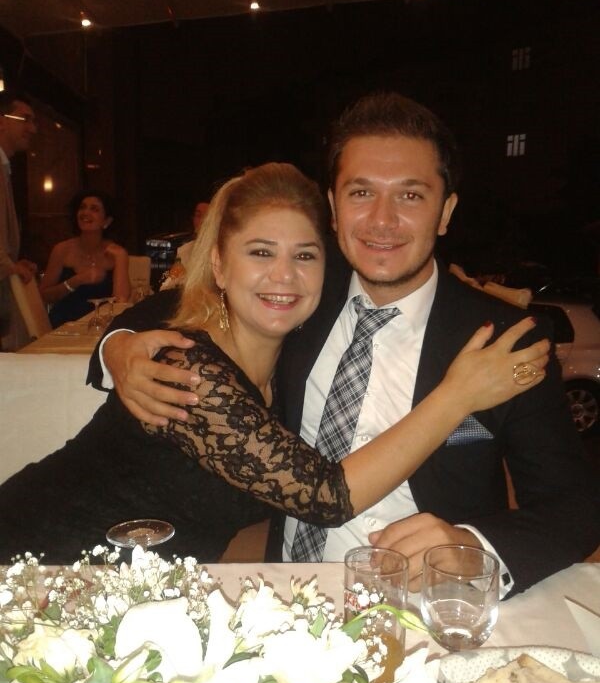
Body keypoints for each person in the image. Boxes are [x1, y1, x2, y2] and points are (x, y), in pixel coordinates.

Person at [94, 94, 599, 598]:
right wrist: (119, 347)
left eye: (410, 195)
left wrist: (470, 547)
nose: (382, 220)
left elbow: (575, 508)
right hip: (285, 595)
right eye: (361, 193)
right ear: (334, 207)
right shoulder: (301, 292)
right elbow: (189, 298)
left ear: (445, 212)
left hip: (422, 601)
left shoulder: (503, 339)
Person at [0, 162, 546, 563]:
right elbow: (326, 497)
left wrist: (117, 341)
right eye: (260, 252)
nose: (284, 276)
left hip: (138, 593)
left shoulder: (291, 351)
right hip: (39, 562)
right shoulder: (189, 370)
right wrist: (457, 395)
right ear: (218, 264)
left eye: (304, 255)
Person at [40, 189, 130, 327]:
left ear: (107, 221)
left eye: (94, 209)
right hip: (64, 326)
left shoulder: (116, 253)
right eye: (82, 207)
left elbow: (121, 301)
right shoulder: (62, 250)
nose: (85, 213)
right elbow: (44, 296)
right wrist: (76, 281)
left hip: (101, 325)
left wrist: (120, 258)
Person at [0, 90, 38, 350]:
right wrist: (8, 266)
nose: (32, 129)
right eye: (25, 119)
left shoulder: (5, 168)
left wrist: (12, 263)